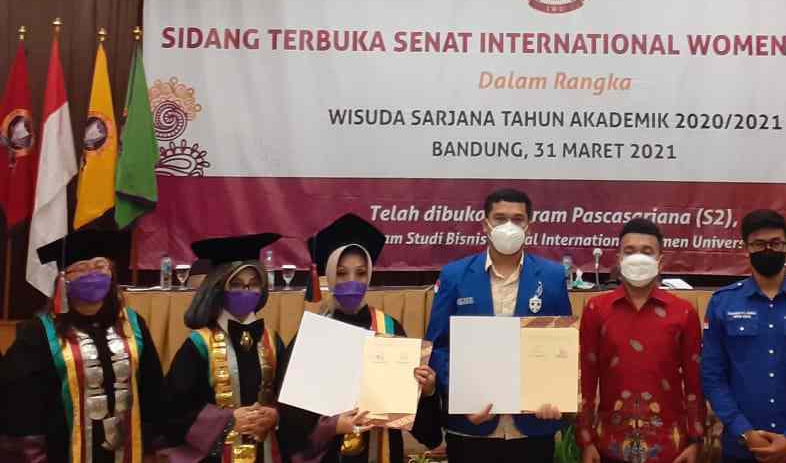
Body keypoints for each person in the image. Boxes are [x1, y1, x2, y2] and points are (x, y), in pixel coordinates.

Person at [277, 213, 441, 463]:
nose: (352, 282)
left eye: (361, 273)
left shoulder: (389, 328)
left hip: (380, 451)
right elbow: (292, 421)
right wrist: (332, 426)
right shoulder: (313, 334)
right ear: (329, 275)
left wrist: (426, 391)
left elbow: (421, 426)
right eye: (342, 273)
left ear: (370, 276)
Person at [425, 187, 572, 463]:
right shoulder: (455, 275)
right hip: (471, 425)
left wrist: (555, 396)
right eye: (500, 218)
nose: (509, 226)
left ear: (529, 226)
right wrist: (462, 393)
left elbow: (562, 346)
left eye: (517, 219)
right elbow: (438, 347)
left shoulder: (552, 276)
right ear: (485, 225)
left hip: (532, 427)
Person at [0, 229, 164, 463]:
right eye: (81, 268)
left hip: (128, 450)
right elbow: (21, 404)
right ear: (63, 280)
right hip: (61, 451)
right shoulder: (38, 333)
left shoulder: (133, 324)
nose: (92, 273)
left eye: (100, 266)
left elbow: (151, 388)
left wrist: (151, 446)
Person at [702, 209, 786, 463]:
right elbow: (713, 379)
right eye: (759, 244)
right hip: (741, 449)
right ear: (746, 248)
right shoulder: (722, 303)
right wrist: (745, 432)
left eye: (775, 243)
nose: (768, 250)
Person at [578, 217, 704, 463]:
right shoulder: (596, 309)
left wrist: (695, 441)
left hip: (670, 447)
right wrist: (586, 441)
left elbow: (694, 382)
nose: (638, 258)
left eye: (647, 251)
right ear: (619, 259)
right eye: (630, 251)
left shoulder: (684, 312)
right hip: (609, 445)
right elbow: (587, 377)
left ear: (660, 260)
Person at [162, 232, 285, 463]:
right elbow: (174, 410)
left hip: (266, 452)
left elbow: (291, 399)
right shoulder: (199, 344)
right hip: (215, 455)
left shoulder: (272, 341)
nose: (246, 291)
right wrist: (226, 421)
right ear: (218, 288)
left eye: (253, 284)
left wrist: (276, 415)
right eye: (236, 284)